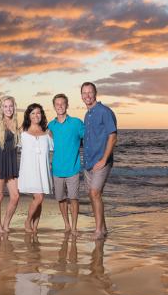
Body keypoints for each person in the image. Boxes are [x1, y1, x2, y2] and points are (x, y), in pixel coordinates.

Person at [81, 82, 117, 239]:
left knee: (94, 192)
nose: (87, 95)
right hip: (89, 161)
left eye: (90, 92)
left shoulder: (105, 111)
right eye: (84, 93)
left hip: (102, 161)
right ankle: (103, 228)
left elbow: (113, 136)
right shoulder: (87, 115)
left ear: (95, 94)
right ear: (81, 96)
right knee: (93, 194)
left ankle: (98, 232)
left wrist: (104, 159)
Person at [48, 93, 84, 234]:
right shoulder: (51, 125)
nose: (60, 106)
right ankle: (66, 225)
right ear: (54, 107)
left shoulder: (76, 123)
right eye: (57, 104)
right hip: (56, 169)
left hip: (73, 168)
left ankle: (74, 227)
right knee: (61, 199)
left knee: (73, 198)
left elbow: (89, 137)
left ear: (67, 105)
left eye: (62, 103)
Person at [18, 103, 53, 233]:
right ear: (28, 115)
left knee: (39, 200)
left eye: (38, 113)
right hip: (29, 171)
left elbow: (55, 148)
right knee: (39, 197)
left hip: (43, 171)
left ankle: (35, 227)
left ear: (42, 115)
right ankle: (27, 221)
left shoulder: (47, 132)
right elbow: (10, 145)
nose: (35, 115)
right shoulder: (22, 131)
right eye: (32, 113)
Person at [0, 96, 20, 233]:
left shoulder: (15, 123)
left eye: (10, 106)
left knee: (15, 196)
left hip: (12, 162)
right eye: (5, 106)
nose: (8, 109)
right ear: (1, 108)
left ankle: (6, 224)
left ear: (14, 107)